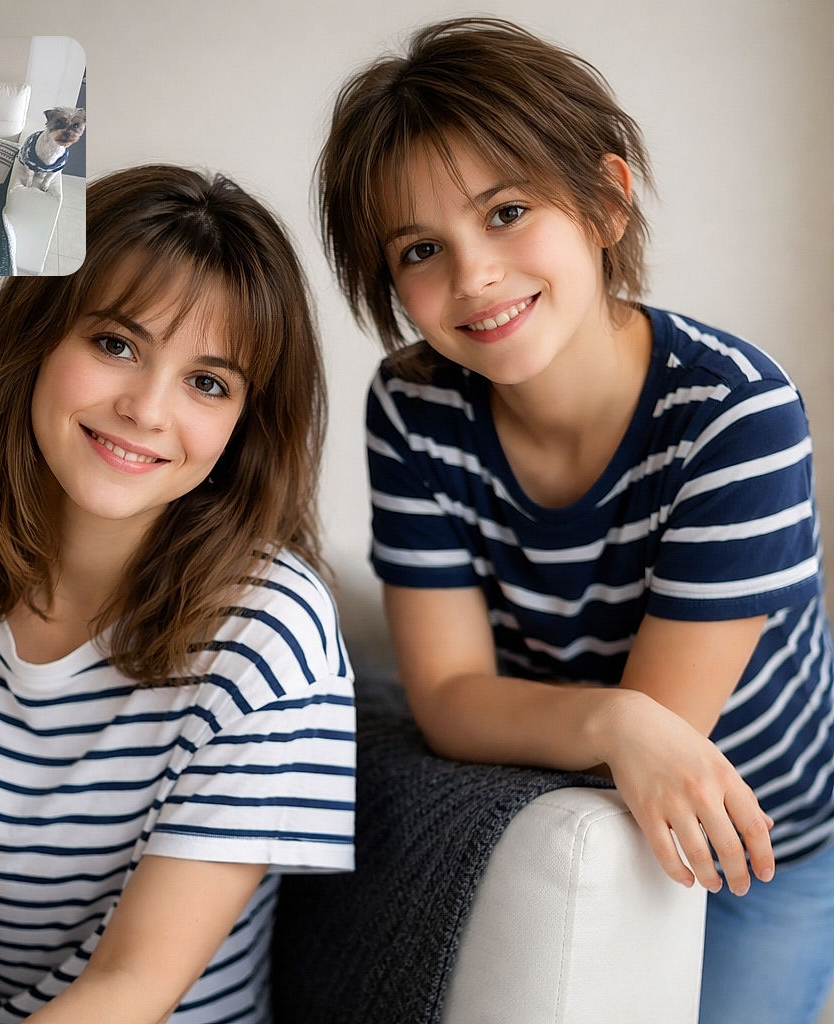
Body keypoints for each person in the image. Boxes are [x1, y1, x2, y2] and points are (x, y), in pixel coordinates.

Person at [317, 17, 834, 1024]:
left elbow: (667, 740)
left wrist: (628, 723)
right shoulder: (413, 408)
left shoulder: (736, 417)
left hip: (756, 841)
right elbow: (451, 698)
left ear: (604, 199)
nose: (473, 276)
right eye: (422, 249)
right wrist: (611, 716)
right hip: (570, 796)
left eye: (506, 212)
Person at [0, 164, 355, 1024]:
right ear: (37, 338)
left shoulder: (272, 633)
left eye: (208, 382)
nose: (145, 407)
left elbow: (132, 988)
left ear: (245, 427)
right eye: (115, 344)